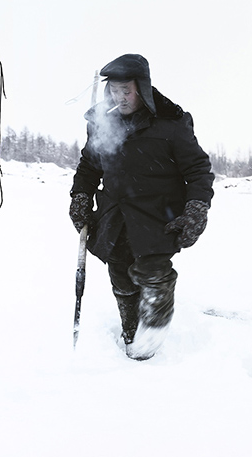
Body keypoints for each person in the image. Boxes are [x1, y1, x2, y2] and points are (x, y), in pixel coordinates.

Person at [69, 53, 214, 360]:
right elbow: (89, 167)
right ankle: (131, 334)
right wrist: (80, 196)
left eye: (127, 90)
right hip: (114, 217)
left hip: (157, 217)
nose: (120, 97)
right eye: (115, 90)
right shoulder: (102, 124)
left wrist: (197, 208)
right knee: (120, 275)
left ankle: (153, 333)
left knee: (152, 271)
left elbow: (198, 169)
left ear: (143, 88)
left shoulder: (171, 124)